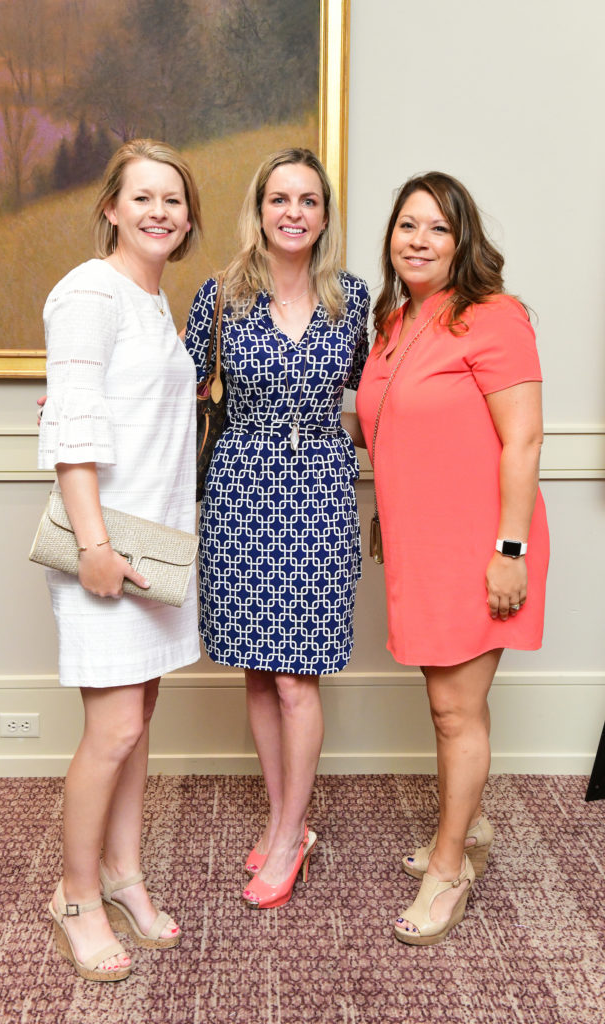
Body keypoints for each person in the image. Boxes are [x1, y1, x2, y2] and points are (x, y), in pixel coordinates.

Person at [355, 172, 549, 945]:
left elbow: (524, 439)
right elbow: (396, 435)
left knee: (451, 708)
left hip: (481, 544)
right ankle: (467, 829)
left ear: (462, 240)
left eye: (437, 228)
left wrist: (509, 550)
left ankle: (448, 868)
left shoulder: (494, 318)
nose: (419, 241)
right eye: (407, 226)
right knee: (448, 705)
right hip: (419, 542)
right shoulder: (394, 323)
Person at [185, 148, 370, 909]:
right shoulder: (220, 295)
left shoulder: (353, 298)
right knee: (257, 669)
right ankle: (283, 814)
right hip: (241, 489)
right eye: (279, 198)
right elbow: (177, 386)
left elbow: (380, 397)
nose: (293, 212)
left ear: (324, 216)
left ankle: (291, 835)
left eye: (308, 200)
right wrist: (75, 407)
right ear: (258, 210)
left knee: (299, 675)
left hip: (321, 490)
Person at [37, 139, 202, 980]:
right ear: (111, 208)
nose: (158, 212)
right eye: (142, 198)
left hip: (157, 550)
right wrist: (94, 548)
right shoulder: (88, 293)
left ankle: (122, 871)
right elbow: (72, 430)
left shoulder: (153, 301)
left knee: (138, 729)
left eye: (172, 200)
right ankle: (75, 895)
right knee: (113, 731)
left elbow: (131, 403)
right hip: (108, 549)